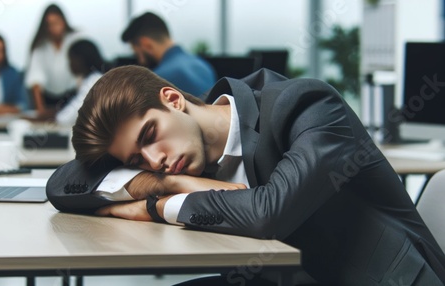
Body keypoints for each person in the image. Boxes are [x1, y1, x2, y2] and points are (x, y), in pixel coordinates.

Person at [47, 66, 445, 285]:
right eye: (136, 160)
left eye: (150, 136)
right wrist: (166, 184)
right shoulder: (171, 165)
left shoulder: (305, 104)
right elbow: (63, 185)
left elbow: (268, 212)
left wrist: (157, 205)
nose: (154, 160)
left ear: (173, 99)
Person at [121, 12, 216, 97]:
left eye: (137, 53)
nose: (140, 61)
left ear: (147, 45)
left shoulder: (159, 79)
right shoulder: (204, 66)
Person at [25, 4, 82, 116]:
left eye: (56, 22)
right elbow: (35, 80)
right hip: (48, 100)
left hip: (74, 96)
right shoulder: (40, 46)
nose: (54, 27)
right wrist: (40, 110)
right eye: (50, 24)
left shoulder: (76, 39)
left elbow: (83, 74)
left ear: (64, 21)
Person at [55, 39, 104, 125]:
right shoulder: (89, 80)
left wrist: (53, 117)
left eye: (71, 59)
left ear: (81, 59)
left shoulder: (94, 81)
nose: (69, 64)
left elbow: (67, 118)